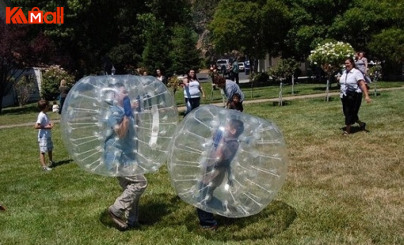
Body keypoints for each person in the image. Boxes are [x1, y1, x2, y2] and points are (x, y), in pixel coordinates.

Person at [105, 83, 148, 230]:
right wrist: (127, 116)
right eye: (124, 93)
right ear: (115, 96)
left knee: (132, 188)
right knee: (140, 183)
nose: (127, 95)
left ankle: (132, 221)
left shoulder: (124, 110)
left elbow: (135, 130)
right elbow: (121, 134)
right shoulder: (113, 113)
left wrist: (133, 113)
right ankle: (116, 209)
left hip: (129, 155)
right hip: (118, 157)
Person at [196, 119, 244, 230]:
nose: (224, 128)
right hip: (211, 170)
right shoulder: (227, 140)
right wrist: (216, 139)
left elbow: (219, 157)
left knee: (202, 197)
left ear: (233, 131)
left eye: (226, 126)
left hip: (216, 173)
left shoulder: (233, 144)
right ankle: (226, 208)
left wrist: (221, 141)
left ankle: (209, 223)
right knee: (206, 195)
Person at [339, 57, 371, 135]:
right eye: (345, 63)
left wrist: (366, 95)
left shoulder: (356, 72)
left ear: (352, 63)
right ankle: (361, 124)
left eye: (348, 63)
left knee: (349, 112)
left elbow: (362, 84)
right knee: (347, 112)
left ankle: (347, 130)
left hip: (355, 95)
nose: (346, 65)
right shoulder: (344, 72)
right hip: (344, 95)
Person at [34, 99, 55, 171]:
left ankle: (51, 162)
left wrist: (50, 124)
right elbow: (36, 126)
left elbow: (46, 123)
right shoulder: (41, 115)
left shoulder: (45, 114)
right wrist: (47, 127)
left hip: (47, 135)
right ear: (45, 106)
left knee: (49, 149)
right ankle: (44, 166)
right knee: (43, 151)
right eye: (48, 105)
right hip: (43, 137)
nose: (49, 106)